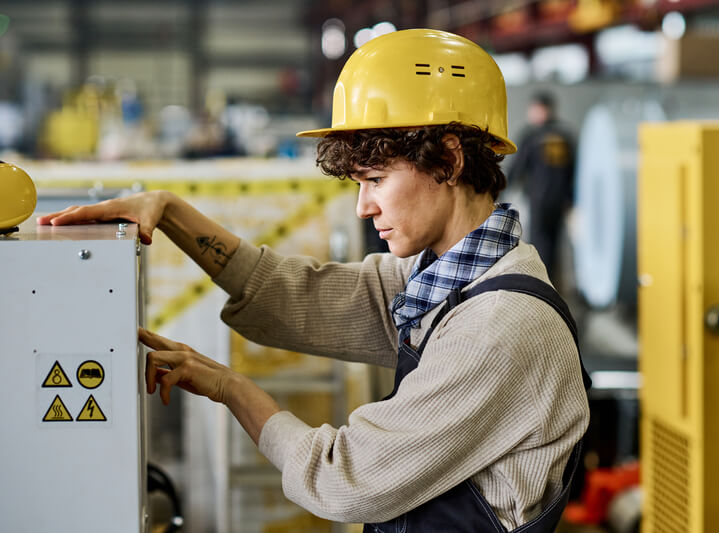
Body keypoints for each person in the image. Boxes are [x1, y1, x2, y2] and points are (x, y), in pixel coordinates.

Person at [38, 29, 590, 532]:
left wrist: (233, 389)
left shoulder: (499, 328)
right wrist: (171, 212)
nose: (362, 206)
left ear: (447, 159)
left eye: (375, 179)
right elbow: (293, 296)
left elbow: (343, 480)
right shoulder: (442, 281)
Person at [507, 91, 576, 280]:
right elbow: (573, 170)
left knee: (539, 243)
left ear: (542, 110)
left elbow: (517, 167)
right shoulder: (564, 136)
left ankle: (542, 281)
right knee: (554, 243)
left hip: (539, 198)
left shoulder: (532, 135)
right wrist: (571, 198)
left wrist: (501, 189)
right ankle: (552, 281)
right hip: (560, 200)